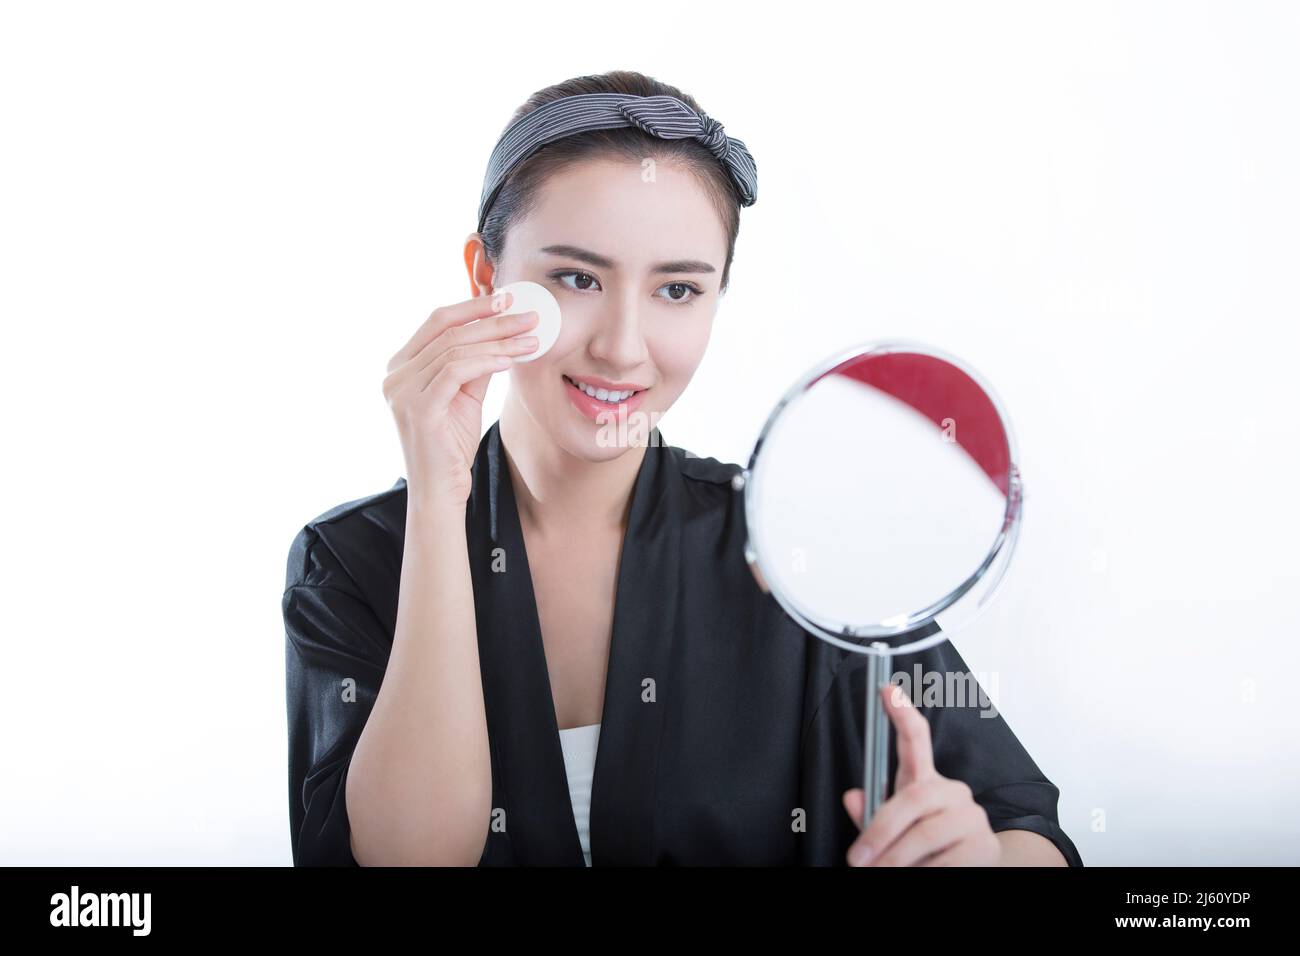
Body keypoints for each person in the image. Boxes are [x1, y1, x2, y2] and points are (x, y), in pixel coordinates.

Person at [282, 69, 1082, 867]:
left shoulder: (800, 549)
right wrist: (436, 499)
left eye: (677, 290)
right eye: (577, 278)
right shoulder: (350, 563)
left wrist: (984, 858)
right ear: (487, 278)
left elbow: (1030, 834)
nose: (623, 347)